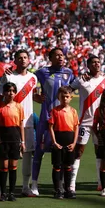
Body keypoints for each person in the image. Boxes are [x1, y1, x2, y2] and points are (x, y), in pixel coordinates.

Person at [32, 48, 75, 196]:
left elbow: (76, 85)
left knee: (63, 153)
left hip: (63, 120)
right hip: (46, 118)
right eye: (57, 55)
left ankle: (60, 186)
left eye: (62, 55)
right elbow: (28, 83)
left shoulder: (69, 73)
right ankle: (34, 184)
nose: (61, 57)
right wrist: (34, 96)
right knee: (39, 151)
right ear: (50, 58)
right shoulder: (42, 72)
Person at [0, 50, 37, 197]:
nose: (23, 60)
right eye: (19, 58)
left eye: (25, 57)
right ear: (15, 60)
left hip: (27, 121)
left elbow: (34, 96)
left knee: (27, 153)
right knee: (5, 157)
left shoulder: (33, 78)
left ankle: (25, 187)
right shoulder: (8, 76)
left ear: (29, 60)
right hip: (9, 122)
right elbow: (0, 98)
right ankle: (2, 189)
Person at [69, 56, 105, 191]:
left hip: (101, 123)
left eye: (99, 62)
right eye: (93, 62)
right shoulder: (81, 79)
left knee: (100, 151)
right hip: (84, 122)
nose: (97, 64)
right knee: (79, 151)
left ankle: (101, 183)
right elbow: (68, 91)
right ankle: (71, 184)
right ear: (88, 65)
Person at [48, 86, 78, 199]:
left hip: (69, 139)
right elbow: (50, 127)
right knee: (57, 165)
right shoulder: (54, 111)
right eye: (62, 97)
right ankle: (57, 190)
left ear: (70, 98)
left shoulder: (73, 111)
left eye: (67, 97)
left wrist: (74, 143)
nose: (65, 99)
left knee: (68, 165)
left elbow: (76, 127)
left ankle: (67, 189)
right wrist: (54, 142)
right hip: (58, 139)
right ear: (58, 97)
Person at [0, 82, 25, 201]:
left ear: (15, 92)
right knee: (4, 166)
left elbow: (21, 125)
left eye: (13, 91)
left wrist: (22, 142)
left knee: (13, 166)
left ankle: (11, 193)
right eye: (8, 91)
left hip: (15, 140)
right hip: (2, 140)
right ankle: (3, 193)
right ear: (4, 92)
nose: (10, 93)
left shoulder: (18, 107)